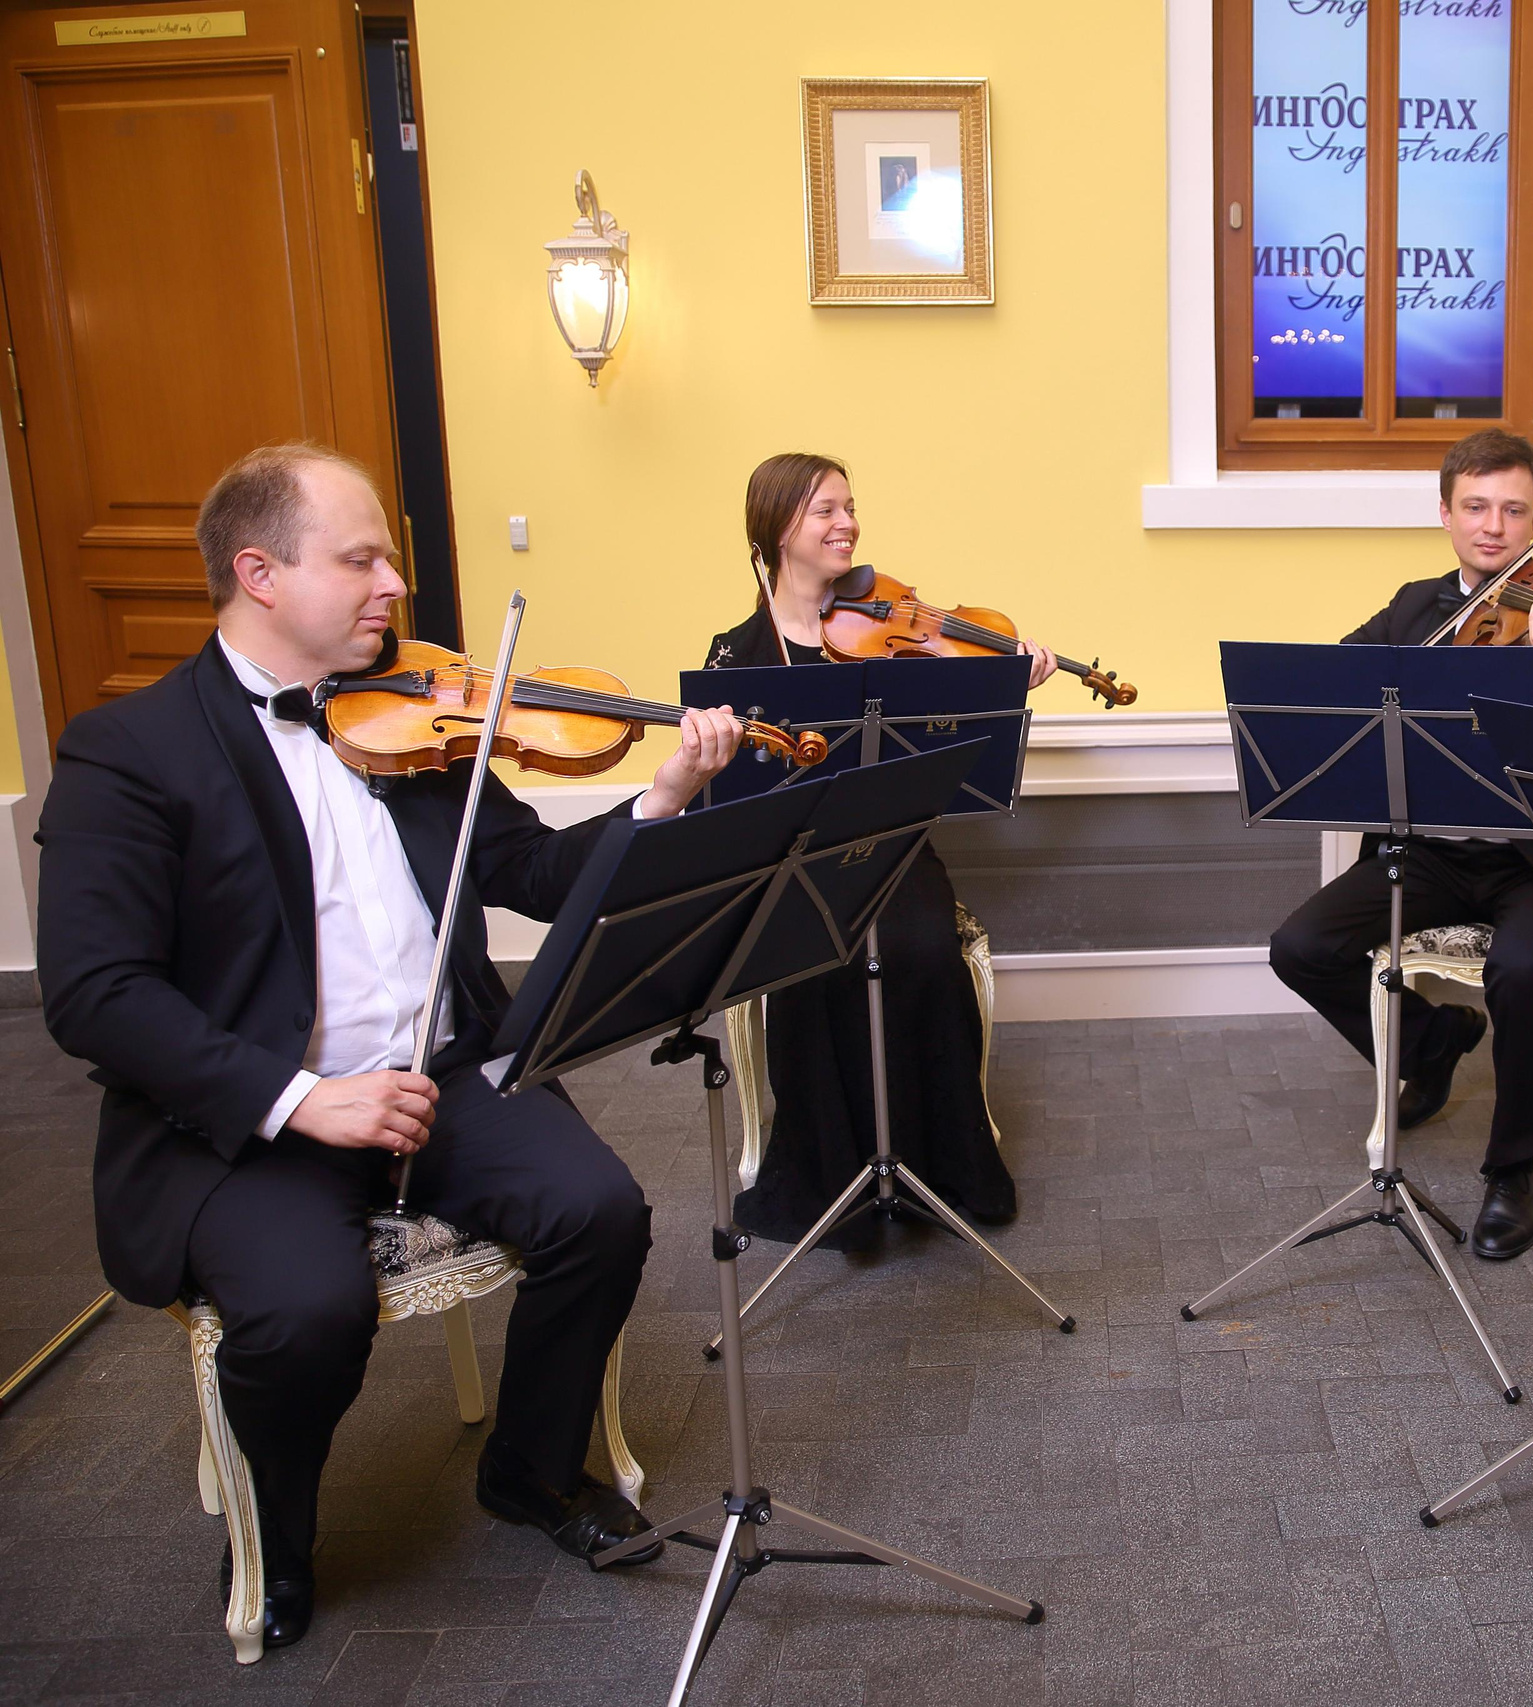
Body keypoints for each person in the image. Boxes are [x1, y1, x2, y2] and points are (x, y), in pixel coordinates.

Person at [36, 444, 745, 1646]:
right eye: (360, 559)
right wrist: (301, 1099)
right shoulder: (131, 752)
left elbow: (528, 871)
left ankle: (527, 1472)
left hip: (446, 1072)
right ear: (259, 573)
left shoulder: (410, 719)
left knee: (601, 1213)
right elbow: (95, 993)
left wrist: (664, 792)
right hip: (253, 1116)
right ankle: (279, 1535)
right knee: (308, 1309)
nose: (393, 587)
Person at [1266, 429, 1533, 1261]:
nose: (1496, 527)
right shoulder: (1413, 606)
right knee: (1300, 946)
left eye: (1515, 510)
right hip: (1431, 852)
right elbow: (1338, 681)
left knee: (1521, 966)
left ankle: (1515, 1169)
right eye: (1477, 507)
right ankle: (1435, 1041)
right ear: (1446, 513)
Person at [703, 452, 1044, 1241]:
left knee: (922, 947)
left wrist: (1011, 676)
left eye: (850, 507)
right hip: (790, 859)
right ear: (777, 527)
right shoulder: (738, 651)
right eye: (826, 509)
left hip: (891, 844)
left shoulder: (886, 630)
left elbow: (952, 728)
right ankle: (832, 1177)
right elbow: (724, 789)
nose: (847, 523)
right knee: (817, 961)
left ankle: (938, 1162)